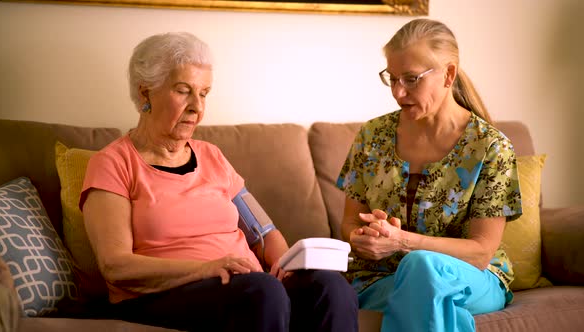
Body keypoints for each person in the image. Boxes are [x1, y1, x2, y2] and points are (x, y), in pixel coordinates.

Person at [79, 32, 358, 332]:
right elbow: (115, 266)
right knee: (262, 292)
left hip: (243, 285)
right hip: (161, 295)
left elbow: (263, 231)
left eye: (204, 93)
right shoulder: (112, 163)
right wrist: (204, 269)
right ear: (145, 93)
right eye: (183, 91)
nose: (197, 107)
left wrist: (285, 264)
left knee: (332, 286)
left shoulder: (212, 156)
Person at [336, 18, 522, 332]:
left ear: (449, 74)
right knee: (430, 295)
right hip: (380, 281)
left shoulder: (490, 147)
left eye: (411, 79)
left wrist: (401, 242)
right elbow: (349, 223)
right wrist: (363, 238)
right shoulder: (371, 136)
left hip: (473, 279)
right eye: (391, 78)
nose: (397, 92)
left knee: (421, 267)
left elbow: (480, 253)